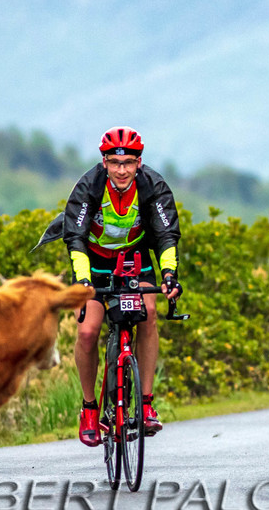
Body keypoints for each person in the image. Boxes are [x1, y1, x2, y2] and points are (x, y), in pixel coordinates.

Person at [61, 127, 182, 447]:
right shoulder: (89, 186)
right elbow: (75, 238)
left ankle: (145, 402)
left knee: (149, 313)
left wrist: (169, 275)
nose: (122, 169)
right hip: (95, 264)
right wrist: (84, 282)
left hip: (135, 261)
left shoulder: (153, 187)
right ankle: (89, 409)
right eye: (115, 162)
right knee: (87, 332)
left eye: (129, 162)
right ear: (104, 162)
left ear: (139, 162)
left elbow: (167, 235)